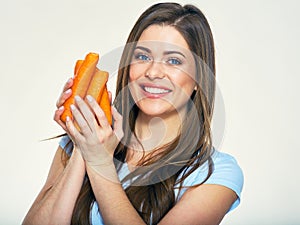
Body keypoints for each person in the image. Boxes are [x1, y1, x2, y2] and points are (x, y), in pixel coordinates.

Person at [23, 2, 243, 225]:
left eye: (174, 61)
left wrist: (100, 162)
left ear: (199, 79)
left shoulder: (215, 173)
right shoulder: (80, 142)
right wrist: (83, 144)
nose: (153, 72)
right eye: (143, 57)